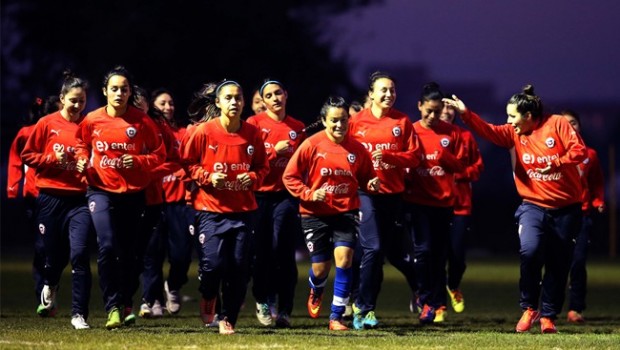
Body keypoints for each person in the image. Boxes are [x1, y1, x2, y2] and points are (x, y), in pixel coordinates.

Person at [443, 85, 586, 334]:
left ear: (528, 116)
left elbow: (579, 151)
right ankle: (529, 307)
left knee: (558, 263)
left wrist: (556, 162)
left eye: (512, 116)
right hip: (532, 205)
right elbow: (487, 130)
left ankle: (548, 316)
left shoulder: (558, 124)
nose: (509, 121)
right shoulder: (513, 133)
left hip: (566, 209)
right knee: (529, 251)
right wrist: (466, 114)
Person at [74, 65, 166, 330]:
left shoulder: (142, 121)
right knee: (108, 246)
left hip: (132, 194)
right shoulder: (92, 119)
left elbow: (159, 155)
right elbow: (81, 144)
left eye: (123, 89)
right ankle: (113, 306)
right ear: (105, 91)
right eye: (113, 88)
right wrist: (82, 160)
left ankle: (126, 302)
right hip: (100, 190)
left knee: (130, 254)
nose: (119, 93)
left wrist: (137, 160)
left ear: (130, 92)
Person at [283, 96, 380, 331]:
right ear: (324, 121)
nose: (339, 125)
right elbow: (290, 176)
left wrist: (372, 183)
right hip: (314, 214)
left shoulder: (357, 149)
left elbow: (367, 177)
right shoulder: (311, 144)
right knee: (321, 268)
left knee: (345, 260)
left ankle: (336, 317)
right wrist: (308, 193)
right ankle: (316, 288)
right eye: (334, 121)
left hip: (346, 211)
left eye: (344, 120)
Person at [182, 80, 269, 335]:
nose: (234, 102)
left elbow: (262, 167)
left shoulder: (253, 133)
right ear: (218, 103)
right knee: (213, 265)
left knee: (240, 268)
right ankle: (208, 294)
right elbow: (187, 164)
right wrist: (208, 177)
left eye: (238, 98)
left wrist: (252, 178)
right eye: (229, 98)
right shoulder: (203, 132)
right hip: (210, 210)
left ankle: (228, 317)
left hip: (243, 212)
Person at [21, 70, 95, 329]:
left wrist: (85, 166)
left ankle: (79, 314)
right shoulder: (46, 124)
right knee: (53, 257)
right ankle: (50, 282)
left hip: (80, 201)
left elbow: (93, 161)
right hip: (50, 198)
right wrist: (53, 159)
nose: (77, 105)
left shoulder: (88, 126)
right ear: (62, 98)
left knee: (80, 254)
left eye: (82, 101)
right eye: (73, 100)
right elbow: (28, 155)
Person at [348, 71, 420, 330]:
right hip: (365, 194)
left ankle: (366, 308)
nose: (388, 94)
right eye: (383, 90)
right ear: (371, 94)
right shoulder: (356, 122)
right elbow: (346, 155)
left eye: (392, 90)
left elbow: (414, 157)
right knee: (373, 249)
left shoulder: (403, 121)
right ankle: (360, 306)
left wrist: (392, 158)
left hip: (393, 195)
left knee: (379, 257)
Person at [403, 82, 465, 324]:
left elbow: (461, 167)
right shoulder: (410, 130)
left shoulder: (453, 133)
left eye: (437, 112)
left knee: (439, 257)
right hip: (416, 202)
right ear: (419, 106)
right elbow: (402, 162)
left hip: (443, 203)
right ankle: (425, 298)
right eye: (428, 110)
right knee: (423, 251)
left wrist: (445, 159)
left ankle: (437, 304)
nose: (432, 116)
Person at [246, 79, 306, 328]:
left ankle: (285, 309)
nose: (274, 98)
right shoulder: (253, 124)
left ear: (286, 94)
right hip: (259, 196)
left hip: (286, 196)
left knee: (283, 248)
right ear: (263, 100)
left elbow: (304, 164)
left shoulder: (298, 127)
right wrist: (273, 153)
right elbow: (246, 161)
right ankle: (262, 298)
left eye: (278, 93)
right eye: (268, 95)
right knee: (263, 251)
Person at [438, 99, 484, 316]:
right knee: (434, 255)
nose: (446, 111)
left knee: (457, 257)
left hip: (460, 205)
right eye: (442, 107)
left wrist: (460, 173)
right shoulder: (426, 135)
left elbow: (478, 167)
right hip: (433, 203)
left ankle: (453, 285)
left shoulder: (465, 137)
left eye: (450, 107)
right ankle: (437, 305)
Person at [560, 109, 605, 324]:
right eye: (565, 123)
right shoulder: (552, 153)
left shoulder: (591, 154)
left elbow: (596, 182)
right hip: (556, 215)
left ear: (580, 126)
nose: (570, 127)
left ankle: (576, 308)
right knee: (555, 262)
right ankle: (548, 307)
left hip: (582, 214)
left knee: (578, 262)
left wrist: (598, 201)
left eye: (574, 123)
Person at [7, 97, 48, 311]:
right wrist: (13, 188)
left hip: (58, 194)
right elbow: (15, 160)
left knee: (53, 248)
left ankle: (48, 288)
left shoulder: (61, 129)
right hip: (35, 195)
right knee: (42, 246)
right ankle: (43, 292)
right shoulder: (26, 133)